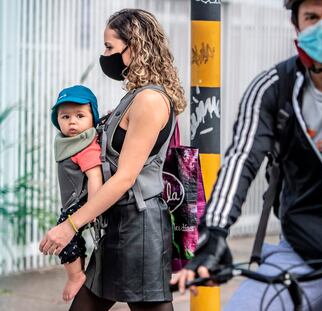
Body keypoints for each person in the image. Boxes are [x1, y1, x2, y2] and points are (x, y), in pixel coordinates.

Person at [172, 0, 322, 310]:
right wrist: (214, 233)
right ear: (296, 25)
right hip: (300, 250)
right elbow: (240, 160)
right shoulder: (272, 88)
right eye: (311, 17)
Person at [39, 8, 186, 311]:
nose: (104, 55)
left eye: (109, 47)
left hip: (140, 230)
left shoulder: (149, 100)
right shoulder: (134, 96)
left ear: (134, 47)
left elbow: (125, 177)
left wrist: (70, 226)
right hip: (120, 225)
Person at [49, 85, 102, 302]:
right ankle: (79, 270)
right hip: (73, 201)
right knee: (73, 238)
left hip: (84, 202)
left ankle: (76, 276)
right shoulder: (68, 143)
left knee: (65, 239)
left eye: (80, 116)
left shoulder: (86, 146)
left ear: (92, 118)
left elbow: (95, 178)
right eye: (65, 116)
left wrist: (94, 209)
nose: (72, 122)